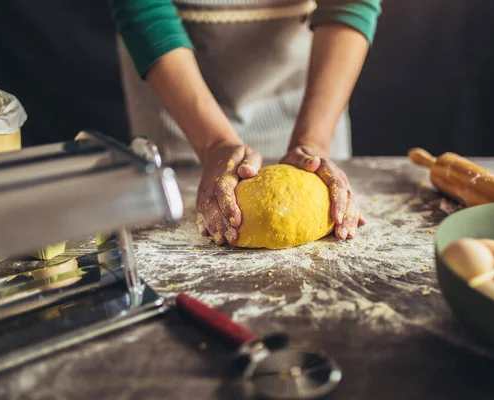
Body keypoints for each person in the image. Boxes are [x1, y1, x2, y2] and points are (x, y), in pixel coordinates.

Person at [109, 0, 381, 245]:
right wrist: (213, 143)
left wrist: (314, 141)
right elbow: (142, 7)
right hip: (177, 96)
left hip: (307, 91)